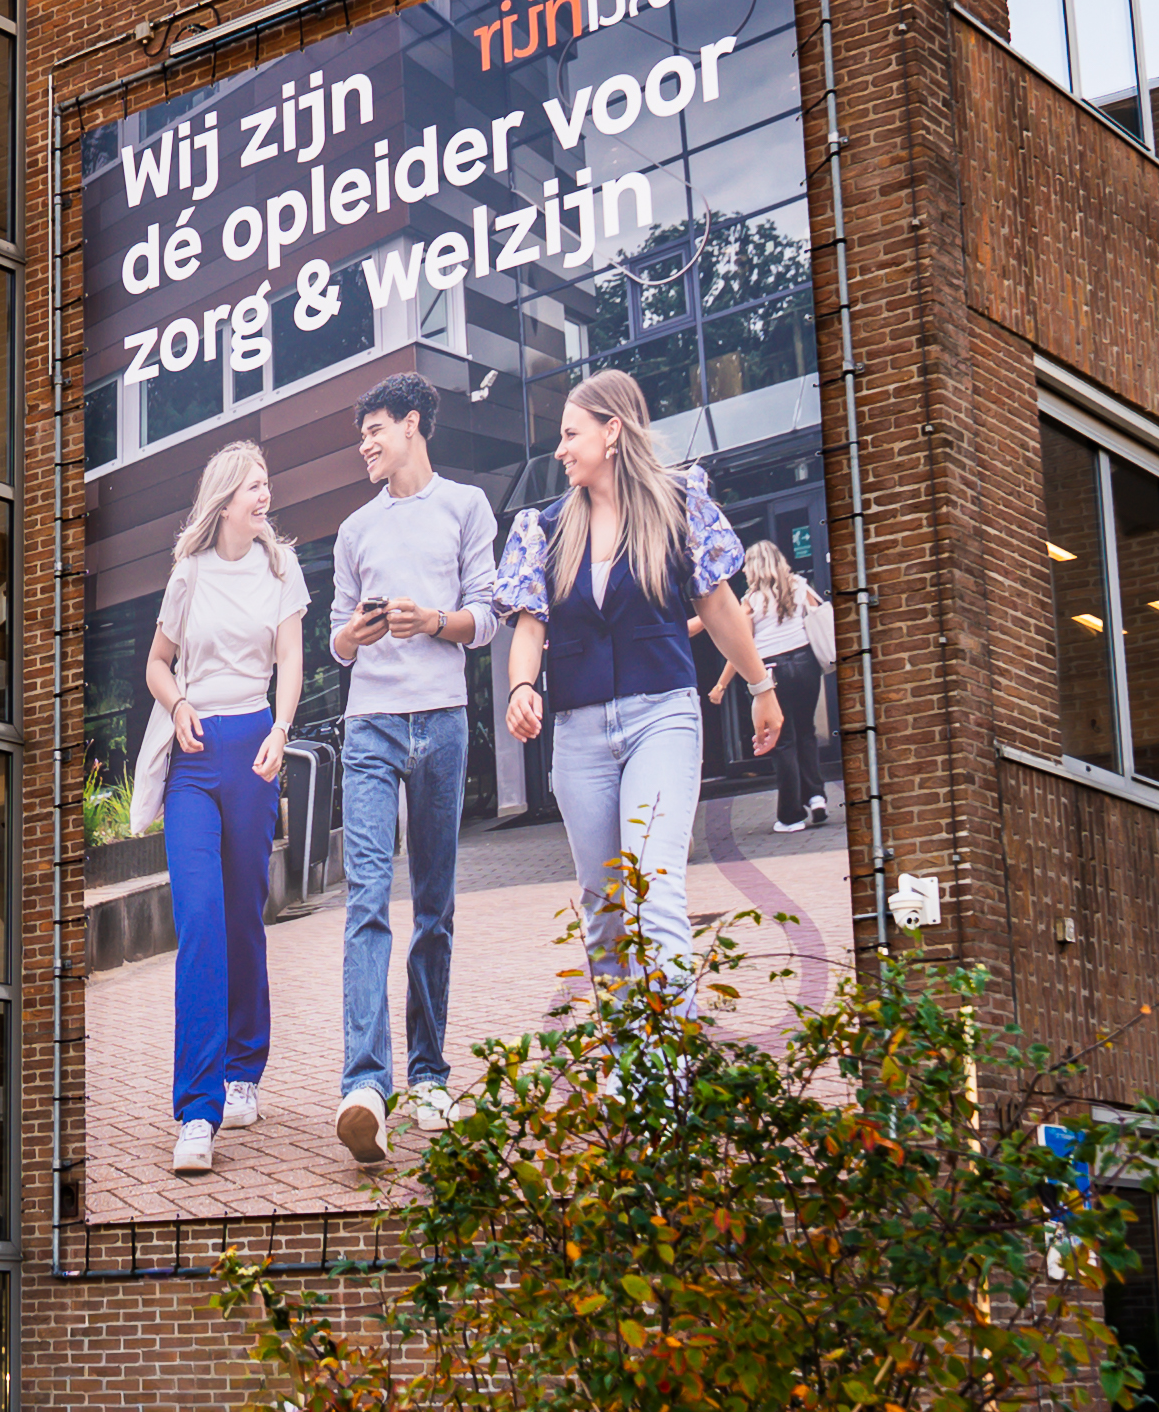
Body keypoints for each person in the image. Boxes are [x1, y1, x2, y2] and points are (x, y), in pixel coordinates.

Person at [496, 370, 780, 988]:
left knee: (654, 895)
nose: (561, 448)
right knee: (604, 916)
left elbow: (719, 605)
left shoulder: (679, 503)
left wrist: (761, 685)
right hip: (578, 733)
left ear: (613, 431)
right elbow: (528, 628)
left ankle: (668, 1079)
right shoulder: (543, 530)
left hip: (663, 717)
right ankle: (631, 1076)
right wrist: (522, 687)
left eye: (572, 434)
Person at [323, 372, 497, 1165]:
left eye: (376, 430)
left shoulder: (466, 507)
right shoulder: (354, 529)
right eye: (362, 434)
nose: (366, 443)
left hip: (444, 722)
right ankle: (365, 1085)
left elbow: (487, 618)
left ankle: (428, 1076)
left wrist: (435, 621)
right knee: (367, 900)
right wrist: (356, 635)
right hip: (369, 726)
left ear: (415, 425)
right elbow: (335, 639)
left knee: (434, 906)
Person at [140, 439, 303, 1177]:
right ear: (225, 497)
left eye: (267, 482)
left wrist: (281, 728)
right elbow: (156, 662)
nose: (263, 494)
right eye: (251, 484)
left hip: (254, 749)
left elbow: (292, 660)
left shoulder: (281, 567)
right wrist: (175, 706)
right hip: (197, 758)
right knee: (200, 921)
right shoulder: (190, 573)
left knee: (242, 920)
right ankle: (196, 1112)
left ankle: (244, 1073)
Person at [712, 541, 835, 832]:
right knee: (806, 733)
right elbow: (821, 619)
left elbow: (739, 646)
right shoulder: (800, 586)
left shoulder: (751, 600)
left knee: (783, 742)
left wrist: (721, 685)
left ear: (753, 567)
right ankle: (816, 797)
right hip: (806, 663)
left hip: (772, 670)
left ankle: (791, 816)